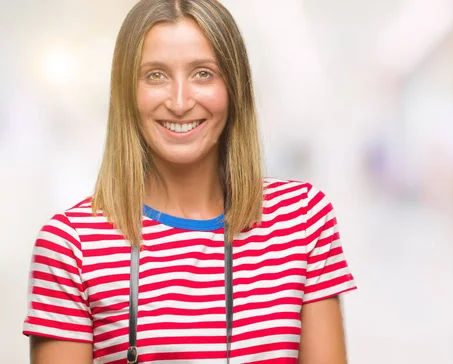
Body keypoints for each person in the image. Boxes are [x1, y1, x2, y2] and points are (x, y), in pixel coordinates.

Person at [22, 0, 357, 363]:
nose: (180, 102)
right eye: (155, 75)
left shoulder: (303, 218)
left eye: (203, 74)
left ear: (234, 87)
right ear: (125, 93)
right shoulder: (71, 245)